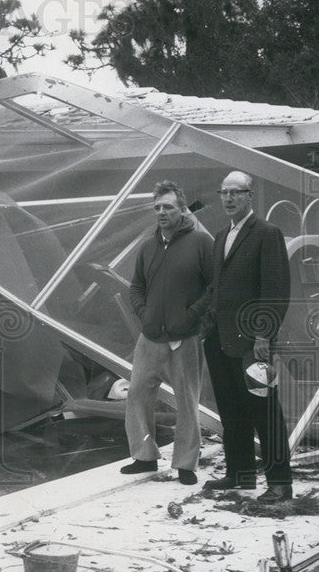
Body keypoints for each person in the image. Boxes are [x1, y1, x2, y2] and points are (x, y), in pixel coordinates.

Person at [201, 171, 294, 503]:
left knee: (265, 412)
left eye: (235, 193)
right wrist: (207, 326)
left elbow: (276, 292)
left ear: (250, 196)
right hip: (221, 341)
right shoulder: (220, 236)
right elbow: (217, 288)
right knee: (231, 411)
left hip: (254, 345)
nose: (228, 199)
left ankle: (281, 484)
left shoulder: (267, 234)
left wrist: (263, 337)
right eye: (223, 193)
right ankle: (239, 475)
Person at [121, 180, 213, 485]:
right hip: (150, 337)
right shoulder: (148, 247)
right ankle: (144, 457)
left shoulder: (200, 243)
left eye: (168, 207)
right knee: (137, 393)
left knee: (187, 401)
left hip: (184, 338)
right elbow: (136, 287)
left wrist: (192, 318)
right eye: (157, 207)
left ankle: (186, 465)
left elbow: (214, 287)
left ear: (182, 209)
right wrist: (145, 315)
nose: (161, 212)